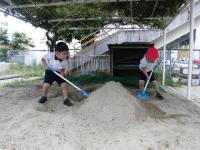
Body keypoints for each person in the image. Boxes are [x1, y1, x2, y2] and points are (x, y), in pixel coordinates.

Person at [38, 41, 73, 106]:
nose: (66, 56)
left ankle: (66, 99)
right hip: (50, 72)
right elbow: (42, 59)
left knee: (64, 85)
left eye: (67, 53)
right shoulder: (50, 55)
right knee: (46, 85)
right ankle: (44, 97)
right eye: (64, 54)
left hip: (59, 73)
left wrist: (64, 73)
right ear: (57, 53)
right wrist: (45, 65)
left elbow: (63, 71)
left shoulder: (65, 61)